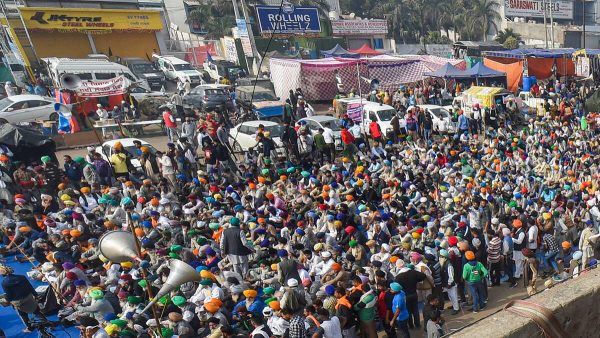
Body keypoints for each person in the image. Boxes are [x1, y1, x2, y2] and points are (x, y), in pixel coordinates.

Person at [0, 264, 47, 333]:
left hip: (18, 302)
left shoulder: (4, 282)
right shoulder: (21, 277)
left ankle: (30, 328)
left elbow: (9, 296)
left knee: (23, 315)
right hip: (29, 298)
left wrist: (6, 300)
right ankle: (46, 322)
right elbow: (30, 287)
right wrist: (36, 295)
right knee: (36, 311)